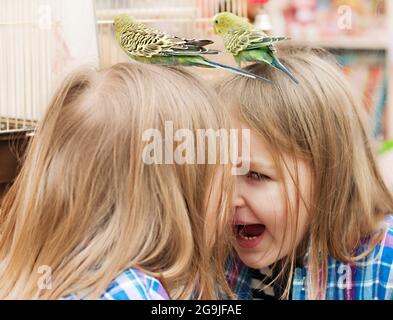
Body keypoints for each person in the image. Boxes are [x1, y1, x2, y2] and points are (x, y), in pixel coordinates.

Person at [0, 62, 233, 300]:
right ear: (168, 202)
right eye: (224, 184)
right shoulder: (132, 293)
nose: (233, 199)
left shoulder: (29, 271)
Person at [216, 46, 393, 300]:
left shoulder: (384, 266)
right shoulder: (217, 260)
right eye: (218, 174)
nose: (230, 198)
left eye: (256, 175)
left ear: (330, 175)